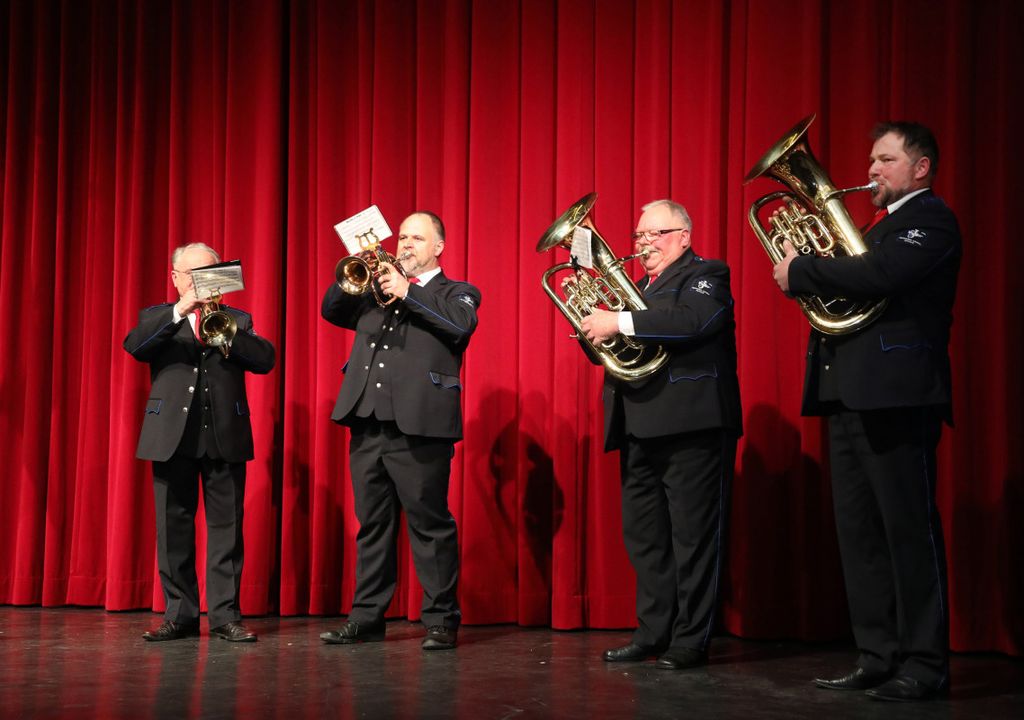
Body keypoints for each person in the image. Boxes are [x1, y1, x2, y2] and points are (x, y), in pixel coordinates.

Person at [772, 122, 960, 702]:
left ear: (921, 168)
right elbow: (853, 282)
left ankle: (925, 663)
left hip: (897, 395)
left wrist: (802, 269)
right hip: (848, 392)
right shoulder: (875, 228)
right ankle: (877, 655)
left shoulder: (930, 220)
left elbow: (880, 276)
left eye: (886, 159)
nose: (872, 170)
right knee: (860, 536)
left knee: (907, 531)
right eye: (872, 160)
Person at [580, 199, 742, 670]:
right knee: (645, 539)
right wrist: (594, 328)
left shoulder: (707, 273)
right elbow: (615, 350)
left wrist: (618, 320)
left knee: (694, 537)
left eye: (657, 233)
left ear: (684, 237)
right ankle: (653, 632)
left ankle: (691, 639)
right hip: (637, 425)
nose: (645, 243)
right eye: (640, 236)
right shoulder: (635, 288)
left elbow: (694, 321)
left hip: (692, 423)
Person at [320, 211, 480, 650]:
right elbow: (332, 309)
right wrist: (360, 265)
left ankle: (441, 620)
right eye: (403, 237)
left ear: (439, 248)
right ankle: (366, 617)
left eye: (417, 238)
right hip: (367, 420)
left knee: (429, 525)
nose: (406, 244)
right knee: (373, 524)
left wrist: (408, 290)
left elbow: (460, 326)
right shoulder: (375, 290)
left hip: (421, 426)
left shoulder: (457, 292)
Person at [124, 242, 275, 642]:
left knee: (227, 530)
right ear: (176, 278)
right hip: (170, 437)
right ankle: (181, 615)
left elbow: (265, 359)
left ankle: (225, 617)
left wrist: (227, 332)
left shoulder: (237, 319)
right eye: (192, 275)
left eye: (208, 273)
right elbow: (135, 345)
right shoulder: (158, 317)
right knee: (173, 528)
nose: (200, 282)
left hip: (225, 435)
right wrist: (181, 310)